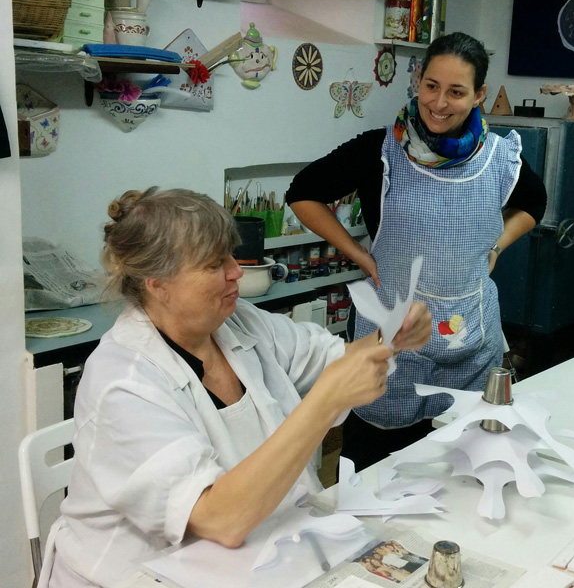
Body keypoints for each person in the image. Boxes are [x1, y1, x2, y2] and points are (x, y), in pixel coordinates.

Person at [41, 188, 431, 588]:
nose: (237, 271)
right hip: (138, 574)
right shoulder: (124, 383)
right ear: (158, 285)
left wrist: (392, 335)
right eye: (215, 264)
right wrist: (326, 399)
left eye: (230, 254)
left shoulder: (238, 322)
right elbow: (220, 519)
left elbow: (336, 361)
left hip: (252, 551)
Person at [286, 32, 547, 471]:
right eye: (431, 86)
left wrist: (496, 246)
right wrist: (360, 255)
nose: (439, 103)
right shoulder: (379, 151)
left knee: (462, 466)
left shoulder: (500, 158)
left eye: (456, 91)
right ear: (418, 81)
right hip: (394, 346)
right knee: (377, 470)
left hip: (471, 345)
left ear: (479, 95)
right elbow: (303, 192)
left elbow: (534, 203)